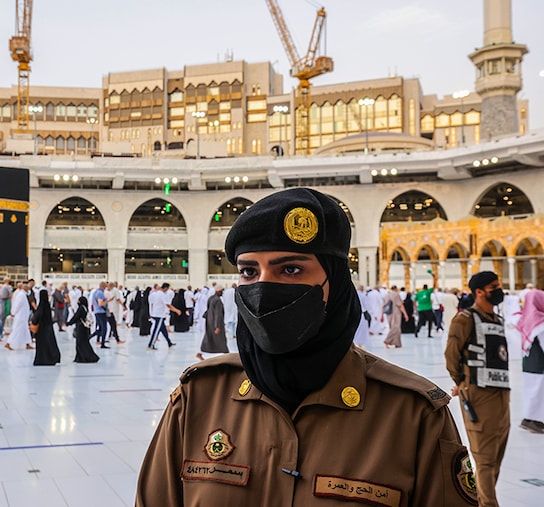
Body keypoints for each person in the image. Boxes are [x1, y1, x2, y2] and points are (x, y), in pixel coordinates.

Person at [137, 187, 476, 506]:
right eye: (249, 271)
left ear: (337, 281)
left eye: (291, 269)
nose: (264, 287)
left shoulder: (410, 416)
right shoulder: (198, 400)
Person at [445, 270, 508, 507]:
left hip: (501, 394)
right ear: (479, 292)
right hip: (478, 395)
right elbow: (452, 355)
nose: (498, 290)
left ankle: (482, 501)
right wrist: (462, 383)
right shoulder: (465, 319)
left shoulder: (496, 320)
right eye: (494, 286)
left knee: (496, 456)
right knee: (483, 458)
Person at [517, 290, 544, 433]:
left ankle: (529, 418)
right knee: (538, 393)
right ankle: (533, 420)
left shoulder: (526, 318)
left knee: (531, 392)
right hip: (539, 364)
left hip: (529, 363)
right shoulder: (540, 322)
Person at [196, 284, 228, 361]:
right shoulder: (218, 300)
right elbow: (218, 314)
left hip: (210, 321)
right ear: (218, 291)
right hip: (216, 323)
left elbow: (208, 310)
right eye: (221, 291)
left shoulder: (211, 298)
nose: (222, 292)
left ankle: (200, 353)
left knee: (209, 337)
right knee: (221, 339)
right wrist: (217, 326)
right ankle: (226, 354)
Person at [67, 296, 99, 363]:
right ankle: (81, 357)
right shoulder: (85, 308)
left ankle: (84, 357)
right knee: (84, 343)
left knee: (80, 343)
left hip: (81, 328)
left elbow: (76, 317)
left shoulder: (81, 308)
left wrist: (69, 323)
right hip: (85, 328)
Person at [32, 289, 61, 366]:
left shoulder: (41, 305)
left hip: (42, 329)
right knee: (49, 343)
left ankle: (43, 359)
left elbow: (38, 316)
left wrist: (34, 321)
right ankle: (51, 358)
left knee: (42, 345)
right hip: (48, 328)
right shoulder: (47, 305)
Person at [147, 283, 178, 350]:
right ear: (166, 288)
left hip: (155, 313)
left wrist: (151, 313)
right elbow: (168, 305)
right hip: (159, 315)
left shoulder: (154, 294)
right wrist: (176, 310)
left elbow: (151, 304)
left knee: (163, 330)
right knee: (156, 331)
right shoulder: (162, 295)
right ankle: (151, 345)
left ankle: (169, 343)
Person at [6, 282, 33, 350]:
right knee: (17, 330)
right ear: (25, 288)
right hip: (20, 317)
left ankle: (27, 344)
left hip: (24, 317)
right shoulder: (21, 295)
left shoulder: (23, 295)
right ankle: (8, 343)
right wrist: (13, 312)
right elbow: (17, 305)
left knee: (25, 331)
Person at [91, 281, 109, 348]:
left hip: (97, 312)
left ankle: (90, 337)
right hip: (101, 312)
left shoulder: (95, 292)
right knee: (104, 328)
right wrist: (107, 301)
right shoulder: (100, 293)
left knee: (100, 328)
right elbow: (100, 303)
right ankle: (103, 343)